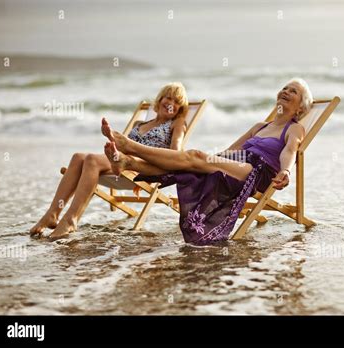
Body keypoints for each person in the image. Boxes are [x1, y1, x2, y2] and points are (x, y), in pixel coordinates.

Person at [101, 78, 312, 245]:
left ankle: (130, 147)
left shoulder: (294, 128)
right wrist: (203, 160)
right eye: (285, 88)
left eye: (293, 91)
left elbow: (290, 150)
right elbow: (230, 151)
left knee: (196, 157)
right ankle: (129, 163)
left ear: (300, 108)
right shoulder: (260, 126)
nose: (286, 91)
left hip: (259, 170)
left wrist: (286, 171)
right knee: (191, 159)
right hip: (240, 161)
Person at [30, 82, 189, 241]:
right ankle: (52, 213)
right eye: (168, 98)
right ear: (160, 99)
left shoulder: (177, 123)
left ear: (181, 109)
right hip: (120, 161)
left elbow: (175, 155)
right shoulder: (139, 124)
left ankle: (71, 219)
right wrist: (111, 137)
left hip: (142, 166)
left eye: (177, 102)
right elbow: (121, 146)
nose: (171, 104)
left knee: (92, 160)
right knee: (78, 157)